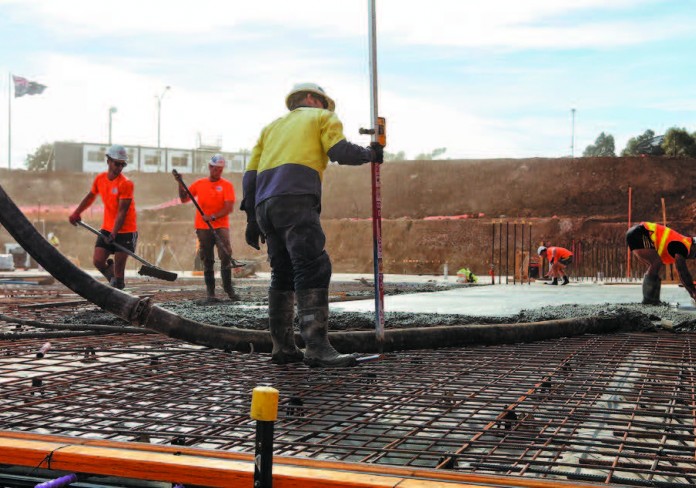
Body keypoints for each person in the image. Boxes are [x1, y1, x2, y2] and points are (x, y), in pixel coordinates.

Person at [241, 82, 383, 368]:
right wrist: (371, 153)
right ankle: (316, 347)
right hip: (296, 197)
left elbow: (250, 173)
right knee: (312, 266)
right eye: (322, 101)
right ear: (310, 99)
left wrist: (252, 218)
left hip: (265, 204)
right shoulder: (321, 117)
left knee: (282, 272)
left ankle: (282, 347)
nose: (325, 107)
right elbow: (339, 151)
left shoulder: (271, 128)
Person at [69, 144, 136, 290]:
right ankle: (114, 280)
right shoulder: (100, 179)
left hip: (125, 231)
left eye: (122, 165)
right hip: (107, 227)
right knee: (98, 261)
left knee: (119, 270)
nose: (119, 167)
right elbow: (90, 197)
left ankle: (118, 284)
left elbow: (122, 212)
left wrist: (114, 233)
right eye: (117, 163)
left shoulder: (126, 184)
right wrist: (77, 212)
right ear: (108, 161)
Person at [175, 154, 239, 302]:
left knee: (225, 255)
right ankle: (211, 293)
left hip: (221, 226)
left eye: (220, 169)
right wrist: (179, 183)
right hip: (203, 228)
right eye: (216, 169)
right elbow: (184, 199)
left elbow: (228, 207)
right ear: (210, 167)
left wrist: (213, 217)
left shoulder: (226, 185)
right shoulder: (199, 184)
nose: (218, 172)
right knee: (207, 259)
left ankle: (228, 288)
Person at [626, 221, 696, 305]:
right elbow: (682, 271)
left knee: (655, 264)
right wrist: (693, 292)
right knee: (656, 262)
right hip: (640, 232)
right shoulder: (682, 246)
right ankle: (649, 300)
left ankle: (653, 300)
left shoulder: (684, 243)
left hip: (638, 232)